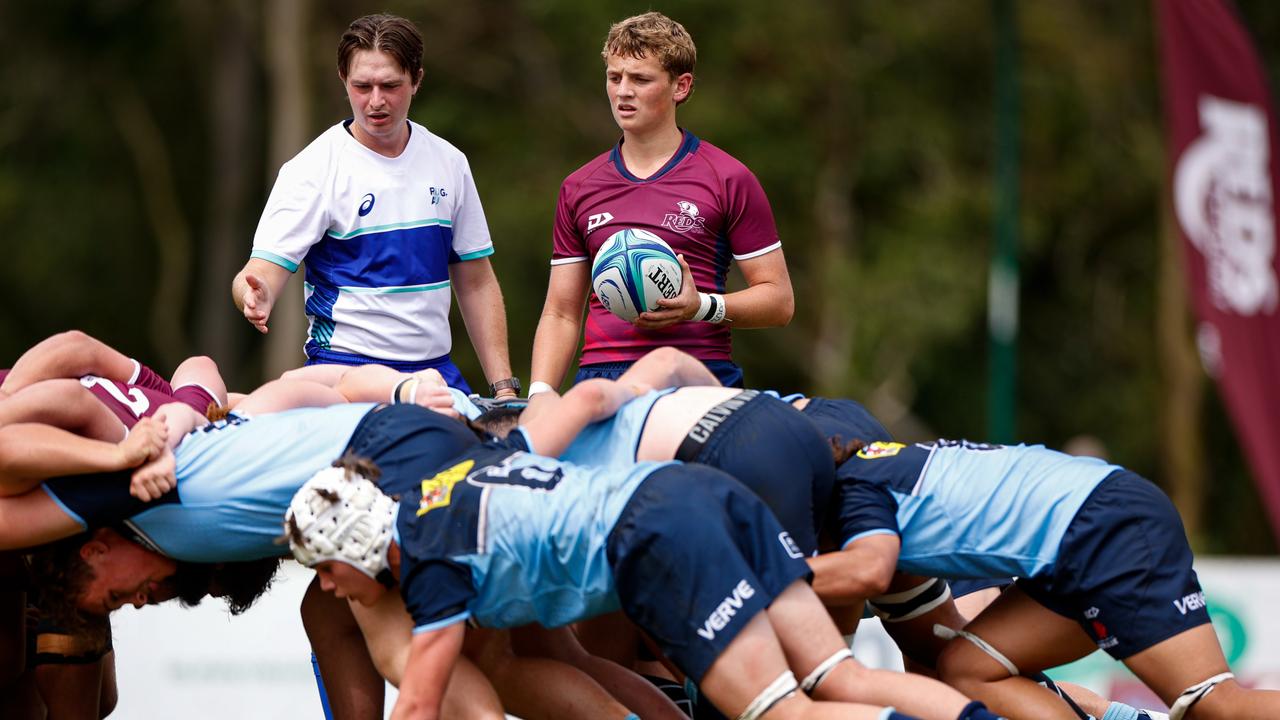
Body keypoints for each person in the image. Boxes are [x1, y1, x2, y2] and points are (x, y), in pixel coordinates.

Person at [287, 381, 1002, 720]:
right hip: (701, 491)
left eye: (325, 568)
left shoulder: (432, 560)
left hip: (663, 539)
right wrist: (633, 391)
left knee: (786, 715)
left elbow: (417, 704)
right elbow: (584, 399)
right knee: (837, 678)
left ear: (356, 544)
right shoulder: (458, 475)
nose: (326, 588)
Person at [810, 437, 1280, 720]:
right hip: (1075, 539)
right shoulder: (861, 466)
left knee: (1212, 707)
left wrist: (763, 573)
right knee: (965, 668)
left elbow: (863, 582)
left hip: (1099, 527)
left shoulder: (854, 491)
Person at [231, 13, 518, 398]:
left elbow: (477, 281)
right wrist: (254, 293)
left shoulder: (449, 162)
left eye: (390, 85)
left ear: (417, 80)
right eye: (362, 86)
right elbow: (259, 272)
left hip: (434, 373)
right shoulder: (311, 169)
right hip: (344, 373)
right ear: (342, 80)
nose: (375, 101)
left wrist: (503, 389)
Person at [529, 11, 794, 392]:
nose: (623, 91)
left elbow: (779, 302)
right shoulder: (578, 186)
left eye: (640, 79)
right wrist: (540, 395)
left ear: (680, 87)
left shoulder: (728, 178)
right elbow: (561, 312)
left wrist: (701, 306)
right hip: (603, 378)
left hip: (697, 374)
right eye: (614, 77)